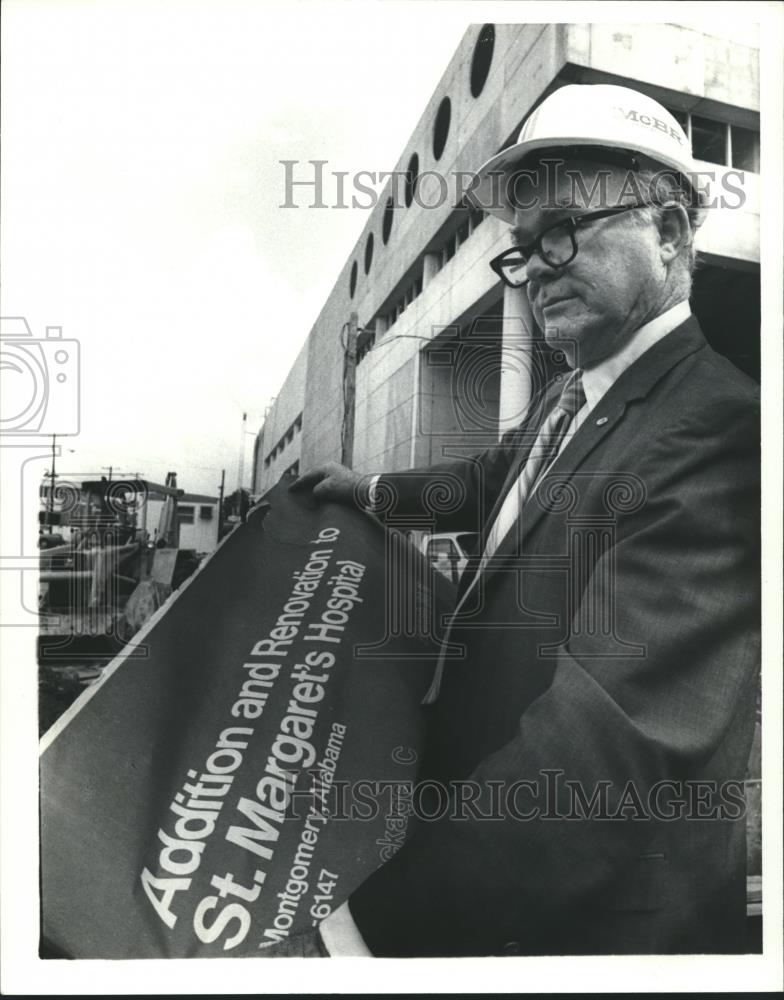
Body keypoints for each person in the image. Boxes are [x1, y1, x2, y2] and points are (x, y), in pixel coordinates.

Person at [274, 84, 760, 957]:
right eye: (522, 248)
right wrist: (372, 492)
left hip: (603, 933)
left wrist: (359, 940)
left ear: (671, 233)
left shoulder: (726, 432)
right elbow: (496, 480)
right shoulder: (572, 397)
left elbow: (607, 754)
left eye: (564, 231)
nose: (534, 267)